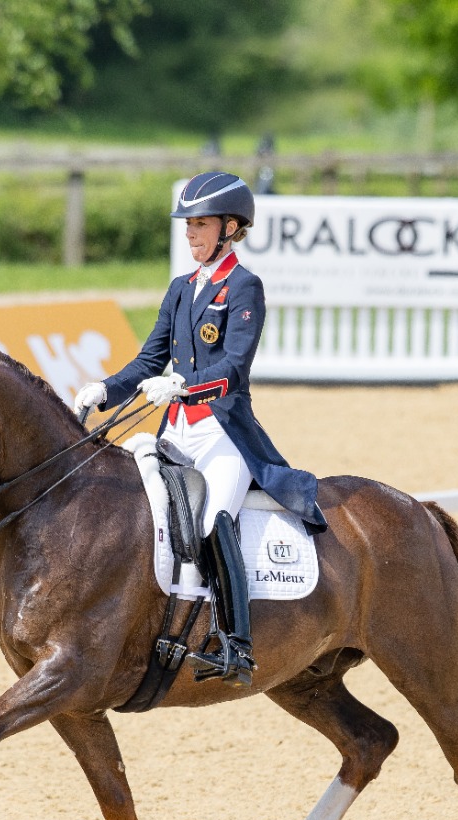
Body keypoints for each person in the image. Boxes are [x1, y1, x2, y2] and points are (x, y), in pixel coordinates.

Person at [74, 171, 324, 688]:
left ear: (230, 227)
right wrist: (106, 389)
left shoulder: (243, 287)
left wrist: (184, 386)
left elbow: (234, 368)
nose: (190, 234)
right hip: (175, 432)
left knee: (212, 522)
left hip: (222, 435)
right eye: (188, 225)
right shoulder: (181, 289)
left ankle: (237, 644)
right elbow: (149, 360)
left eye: (201, 224)